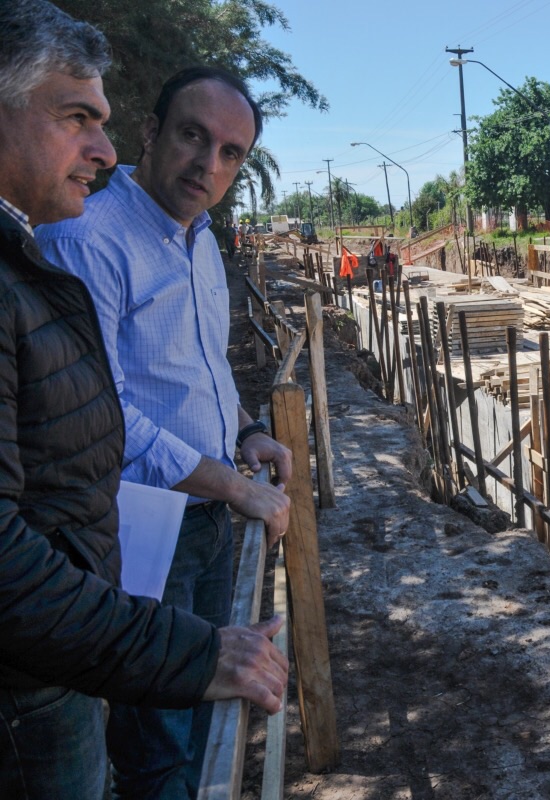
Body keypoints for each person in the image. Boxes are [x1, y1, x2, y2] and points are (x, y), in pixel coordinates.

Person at [0, 3, 286, 798]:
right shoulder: (85, 237)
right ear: (153, 133)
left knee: (201, 712)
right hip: (139, 528)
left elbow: (203, 365)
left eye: (230, 153)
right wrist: (235, 487)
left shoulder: (200, 238)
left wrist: (248, 431)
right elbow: (108, 414)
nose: (208, 164)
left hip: (207, 512)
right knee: (158, 740)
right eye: (193, 135)